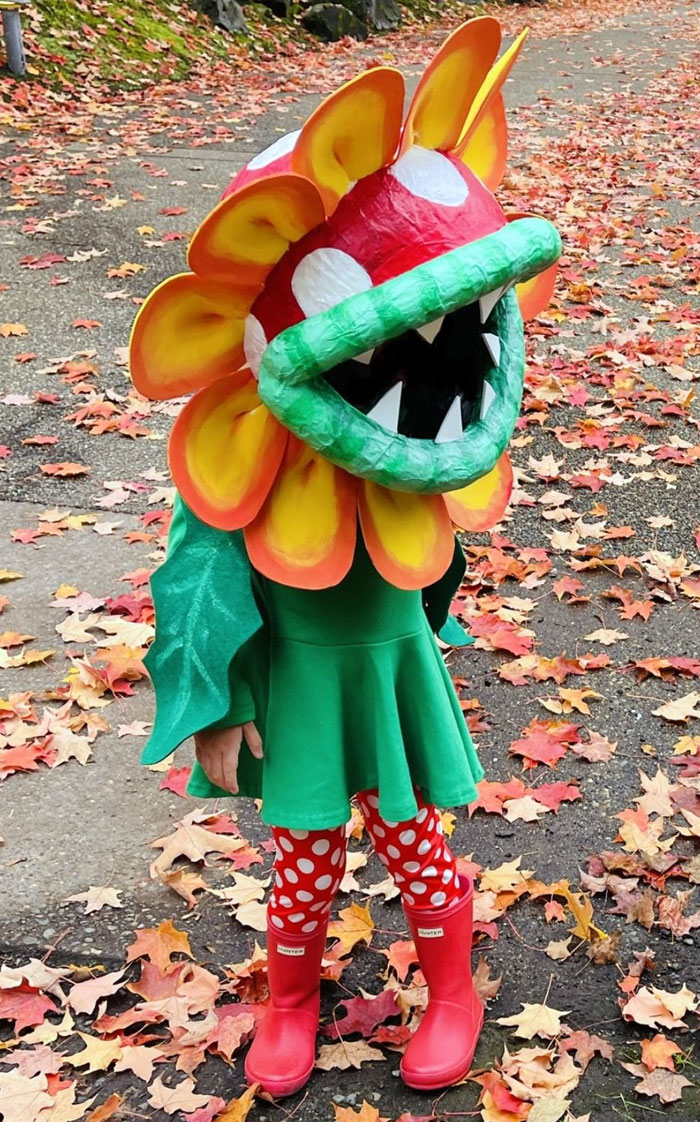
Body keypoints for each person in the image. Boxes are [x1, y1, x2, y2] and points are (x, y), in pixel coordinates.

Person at [129, 15, 561, 1099]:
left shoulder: (417, 443)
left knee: (413, 836)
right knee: (304, 857)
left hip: (386, 664)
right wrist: (218, 700)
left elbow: (441, 504)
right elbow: (194, 579)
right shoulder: (250, 451)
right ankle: (288, 998)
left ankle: (452, 988)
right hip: (299, 673)